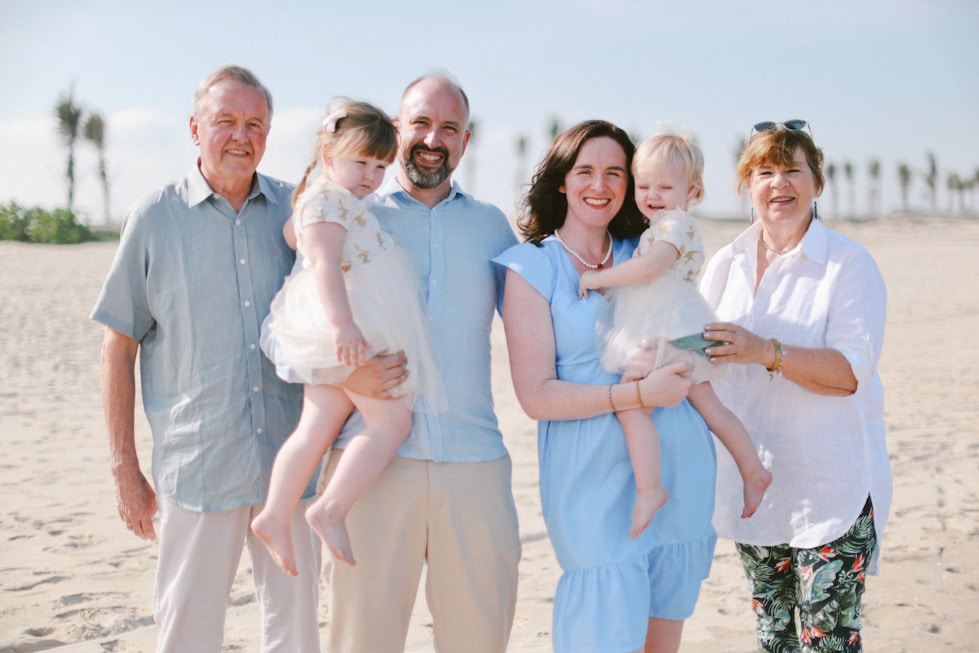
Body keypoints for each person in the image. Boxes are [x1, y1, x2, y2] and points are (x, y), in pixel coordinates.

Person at [90, 66, 321, 653]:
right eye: (225, 122)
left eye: (255, 124)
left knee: (295, 635)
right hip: (196, 468)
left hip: (288, 468)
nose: (240, 136)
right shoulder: (154, 218)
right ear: (195, 129)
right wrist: (124, 470)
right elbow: (118, 348)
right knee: (187, 635)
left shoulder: (297, 216)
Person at [494, 120, 718, 653]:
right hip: (586, 474)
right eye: (586, 171)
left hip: (677, 456)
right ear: (563, 181)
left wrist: (676, 355)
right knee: (601, 622)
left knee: (662, 629)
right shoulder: (532, 265)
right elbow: (536, 396)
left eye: (615, 172)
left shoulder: (646, 249)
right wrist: (636, 395)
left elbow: (693, 331)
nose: (601, 184)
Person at [319, 74, 521, 653]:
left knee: (479, 641)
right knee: (360, 642)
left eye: (449, 128)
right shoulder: (350, 215)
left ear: (466, 139)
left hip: (475, 460)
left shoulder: (491, 226)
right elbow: (290, 326)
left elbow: (542, 333)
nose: (434, 138)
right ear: (398, 129)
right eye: (421, 124)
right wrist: (345, 373)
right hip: (371, 465)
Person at [699, 120, 890, 652]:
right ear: (746, 185)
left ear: (816, 184)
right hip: (754, 494)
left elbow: (851, 373)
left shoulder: (848, 265)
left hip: (833, 491)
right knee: (774, 641)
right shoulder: (723, 265)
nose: (778, 183)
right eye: (764, 171)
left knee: (827, 644)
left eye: (792, 170)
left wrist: (767, 351)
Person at [251, 99, 444, 572]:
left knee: (316, 427)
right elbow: (320, 264)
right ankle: (329, 508)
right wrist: (343, 327)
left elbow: (294, 235)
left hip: (347, 322)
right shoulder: (326, 201)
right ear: (328, 151)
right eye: (361, 162)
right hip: (350, 325)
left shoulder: (326, 198)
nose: (371, 176)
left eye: (381, 166)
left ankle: (276, 513)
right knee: (392, 422)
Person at [578, 127, 771, 538]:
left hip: (671, 330)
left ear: (694, 192)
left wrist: (601, 278)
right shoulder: (663, 226)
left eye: (665, 186)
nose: (652, 194)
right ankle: (753, 470)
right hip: (683, 330)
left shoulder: (675, 227)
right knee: (711, 407)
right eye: (643, 184)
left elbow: (649, 270)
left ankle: (650, 490)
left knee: (632, 401)